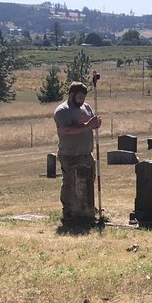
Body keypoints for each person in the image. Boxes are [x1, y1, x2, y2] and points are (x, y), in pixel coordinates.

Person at [52, 81, 102, 221]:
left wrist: (95, 124)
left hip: (86, 153)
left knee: (88, 181)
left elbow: (91, 125)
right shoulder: (62, 111)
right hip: (69, 154)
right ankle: (68, 210)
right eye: (80, 97)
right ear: (72, 95)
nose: (82, 101)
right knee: (69, 182)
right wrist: (88, 125)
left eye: (84, 98)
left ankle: (87, 206)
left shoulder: (86, 107)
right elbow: (67, 129)